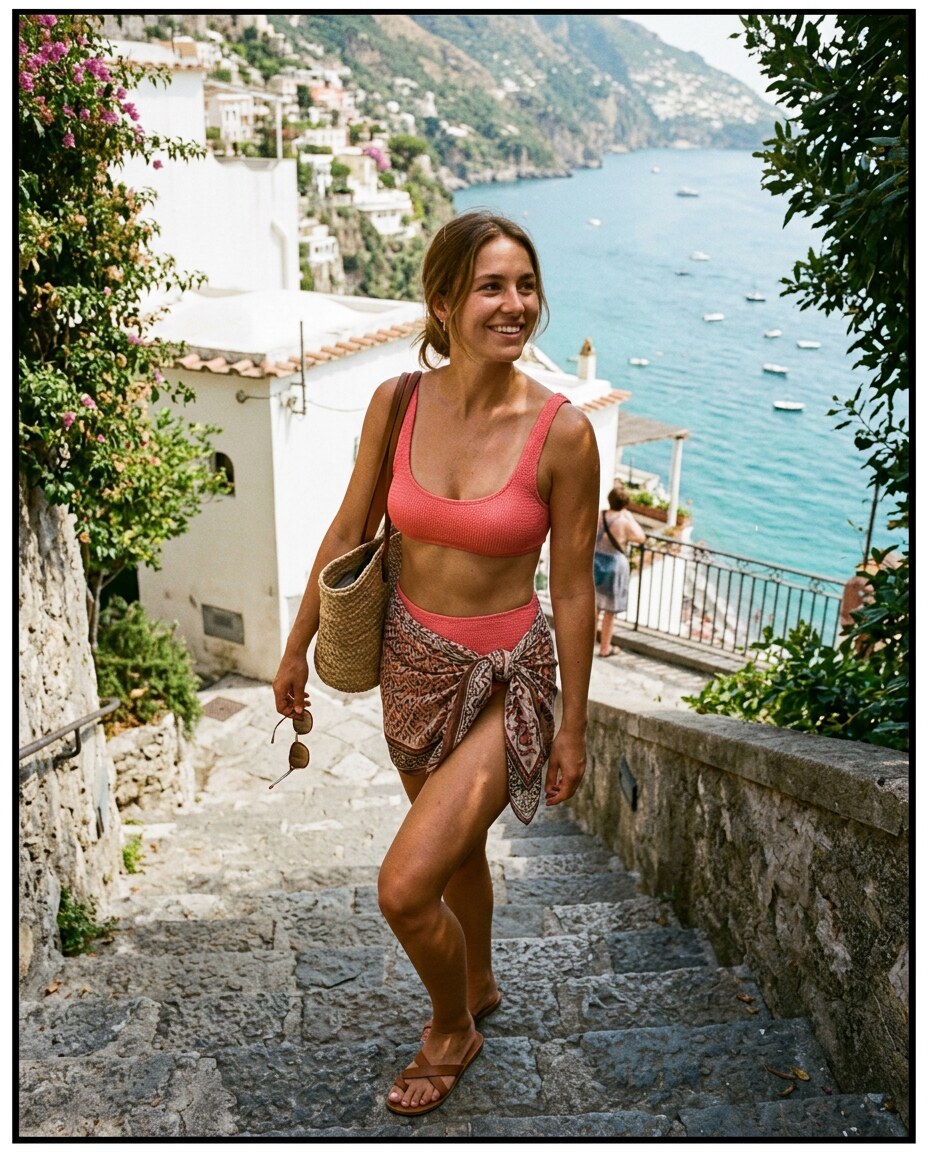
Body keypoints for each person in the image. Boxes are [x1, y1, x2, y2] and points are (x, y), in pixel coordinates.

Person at [272, 209, 600, 1117]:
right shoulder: (398, 403)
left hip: (510, 683)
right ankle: (482, 977)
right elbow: (351, 533)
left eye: (526, 285)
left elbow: (573, 590)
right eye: (492, 287)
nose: (515, 305)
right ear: (445, 301)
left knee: (406, 887)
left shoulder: (564, 433)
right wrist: (297, 642)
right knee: (457, 862)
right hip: (411, 668)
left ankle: (452, 1026)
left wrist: (574, 720)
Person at [593, 485, 646, 656]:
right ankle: (604, 648)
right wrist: (630, 517)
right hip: (613, 566)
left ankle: (588, 645)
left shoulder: (600, 515)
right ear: (625, 504)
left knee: (594, 608)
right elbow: (641, 538)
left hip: (596, 561)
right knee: (610, 611)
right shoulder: (624, 522)